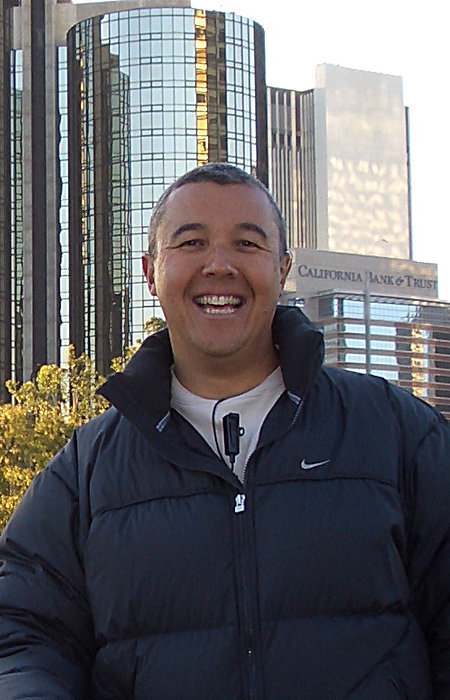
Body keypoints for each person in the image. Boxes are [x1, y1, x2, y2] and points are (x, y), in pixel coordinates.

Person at [0, 162, 449, 699]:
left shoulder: (397, 432)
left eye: (247, 244)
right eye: (191, 242)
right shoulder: (86, 470)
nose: (219, 265)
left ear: (282, 270)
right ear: (150, 272)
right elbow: (23, 633)